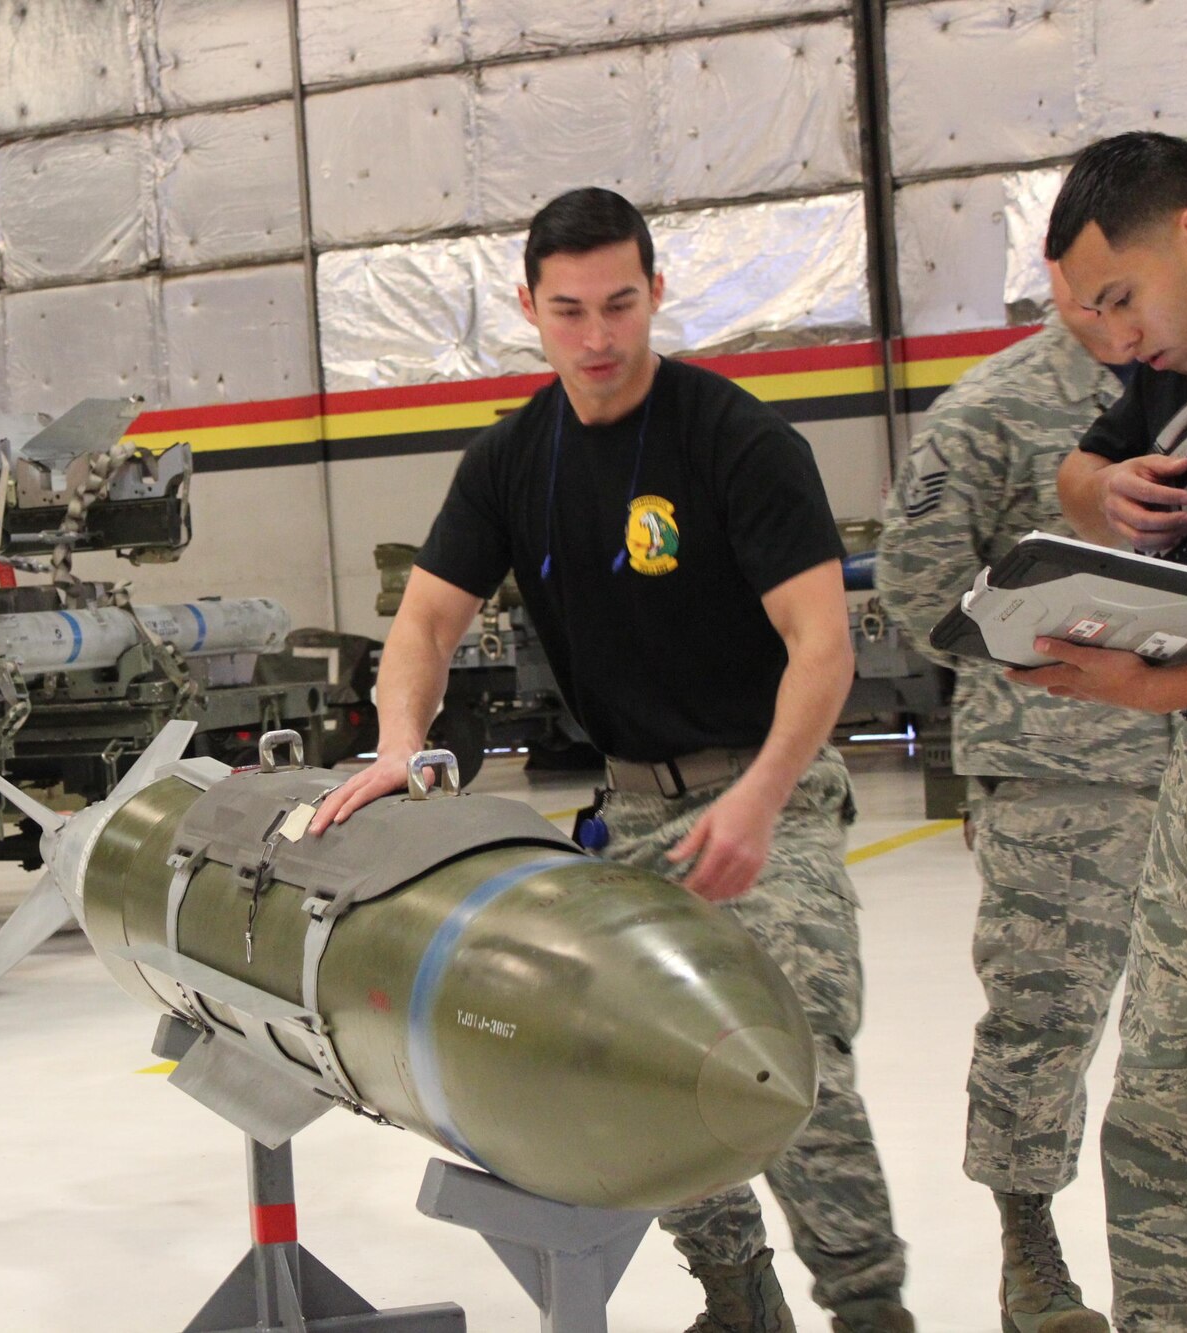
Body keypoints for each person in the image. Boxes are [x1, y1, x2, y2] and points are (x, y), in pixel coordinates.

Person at [311, 187, 911, 1332]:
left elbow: (820, 645)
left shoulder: (735, 440)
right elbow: (425, 624)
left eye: (621, 305)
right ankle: (736, 1301)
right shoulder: (510, 462)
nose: (598, 338)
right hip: (633, 809)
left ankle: (870, 1311)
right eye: (570, 310)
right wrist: (399, 745)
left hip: (766, 784)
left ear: (656, 294)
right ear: (529, 308)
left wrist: (760, 796)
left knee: (790, 1057)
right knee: (640, 1070)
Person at [876, 262, 1170, 1333]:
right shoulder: (990, 411)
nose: (1123, 313)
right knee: (1043, 1021)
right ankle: (1029, 1256)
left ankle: (1178, 1264)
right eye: (1099, 288)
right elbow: (912, 586)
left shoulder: (1186, 386)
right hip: (1056, 772)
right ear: (1054, 278)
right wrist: (1034, 635)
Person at [1015, 130, 1187, 1333]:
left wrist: (1153, 694)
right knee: (1160, 1123)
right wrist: (1103, 493)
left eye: (1117, 298)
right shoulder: (1176, 357)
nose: (1113, 337)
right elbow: (1074, 467)